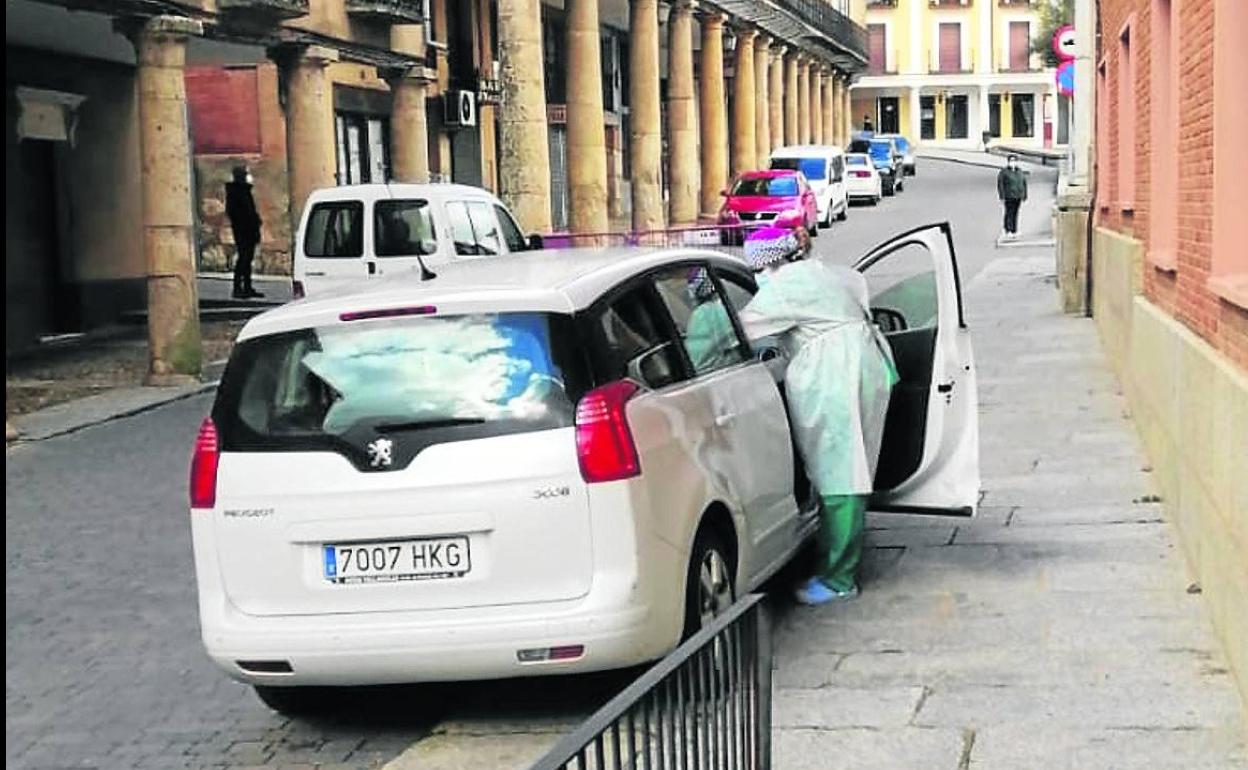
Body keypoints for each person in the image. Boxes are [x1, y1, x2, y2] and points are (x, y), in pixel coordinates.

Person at [738, 228, 898, 605]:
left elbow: (738, 331)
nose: (757, 276)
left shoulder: (787, 286)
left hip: (836, 378)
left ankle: (839, 578)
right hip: (859, 369)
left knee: (841, 475)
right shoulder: (818, 272)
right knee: (850, 469)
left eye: (757, 269)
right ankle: (836, 565)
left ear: (769, 263)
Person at [225, 165, 263, 299]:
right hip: (243, 230)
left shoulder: (243, 191)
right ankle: (238, 287)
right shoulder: (236, 192)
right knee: (244, 258)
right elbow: (240, 213)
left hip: (248, 229)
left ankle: (247, 286)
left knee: (247, 258)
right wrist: (251, 222)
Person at [996, 154, 1028, 241]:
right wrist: (1002, 196)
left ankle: (1014, 229)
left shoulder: (1019, 171)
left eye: (1015, 160)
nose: (1013, 162)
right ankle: (1008, 229)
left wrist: (1024, 195)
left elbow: (1024, 183)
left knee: (1015, 213)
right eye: (1011, 160)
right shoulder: (1004, 172)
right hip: (1009, 196)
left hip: (1017, 196)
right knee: (1009, 213)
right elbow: (1000, 184)